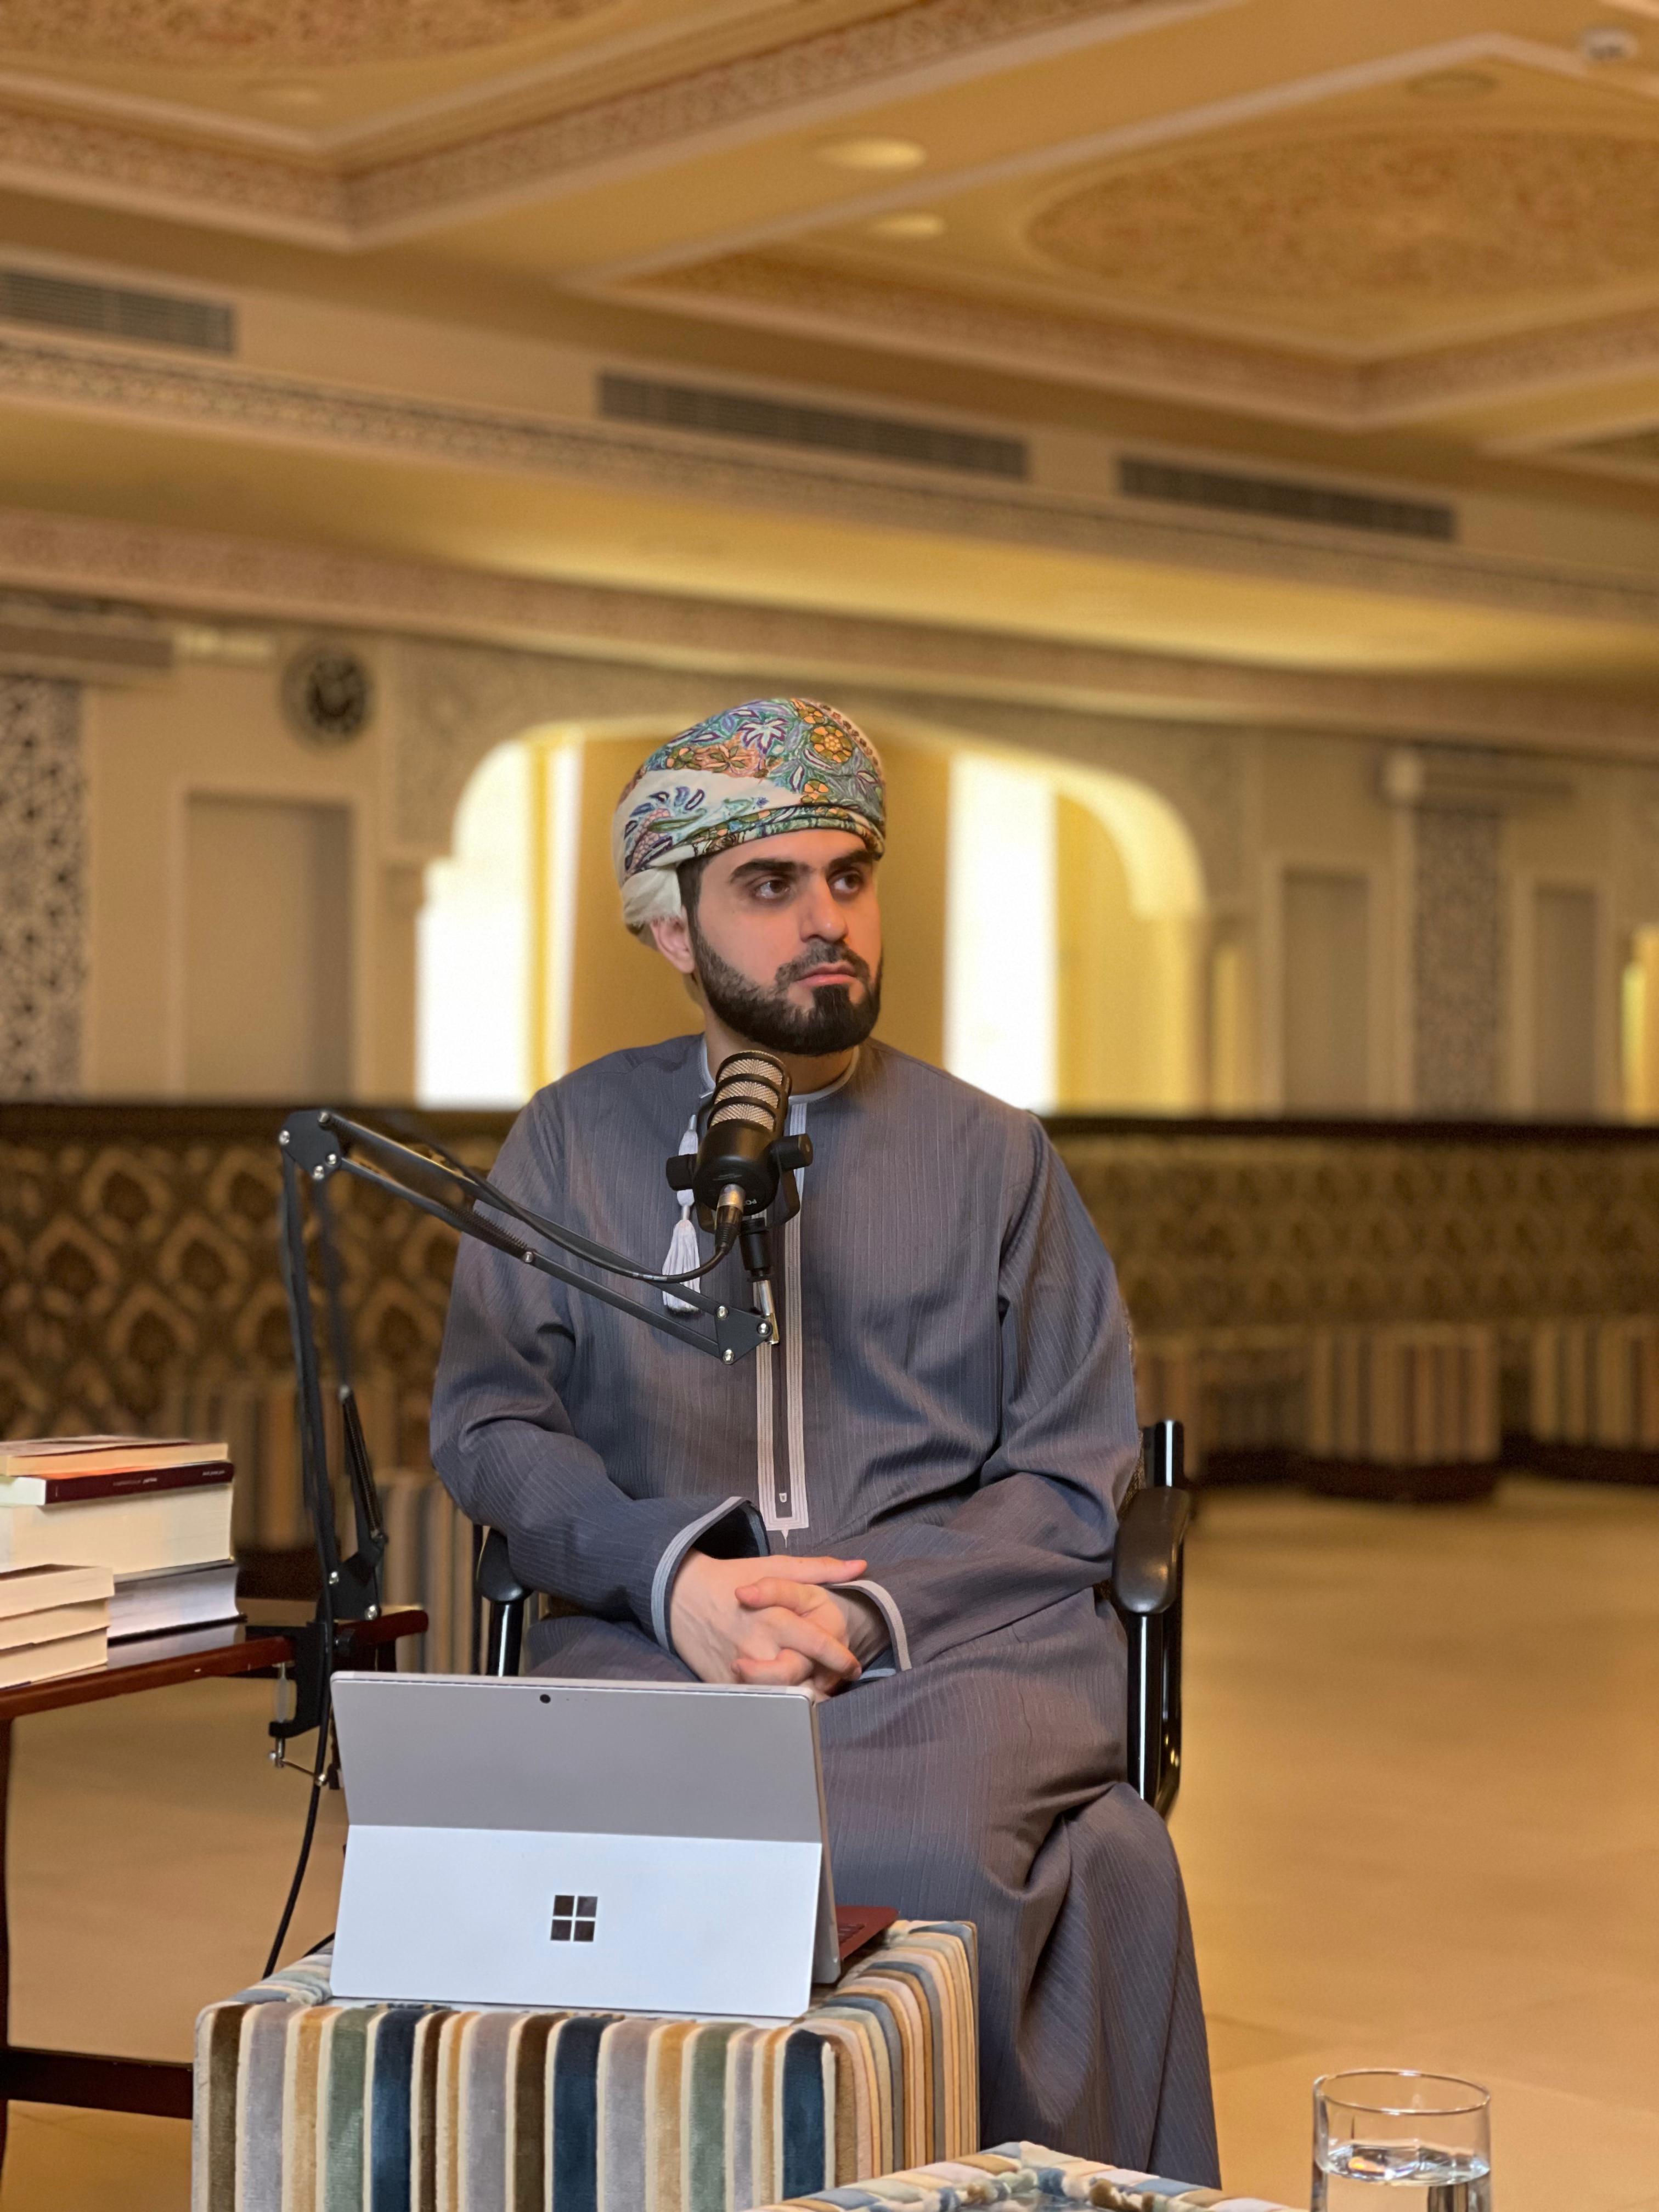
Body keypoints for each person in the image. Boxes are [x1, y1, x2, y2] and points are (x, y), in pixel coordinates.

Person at [431, 697, 1218, 2177]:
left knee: (930, 1857)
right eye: (770, 885)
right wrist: (678, 1582)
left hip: (955, 1644)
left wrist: (860, 1610)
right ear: (673, 928)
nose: (826, 921)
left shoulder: (995, 1156)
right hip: (655, 1634)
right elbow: (491, 1421)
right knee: (607, 1846)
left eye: (849, 876)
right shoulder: (570, 1140)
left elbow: (1072, 1463)